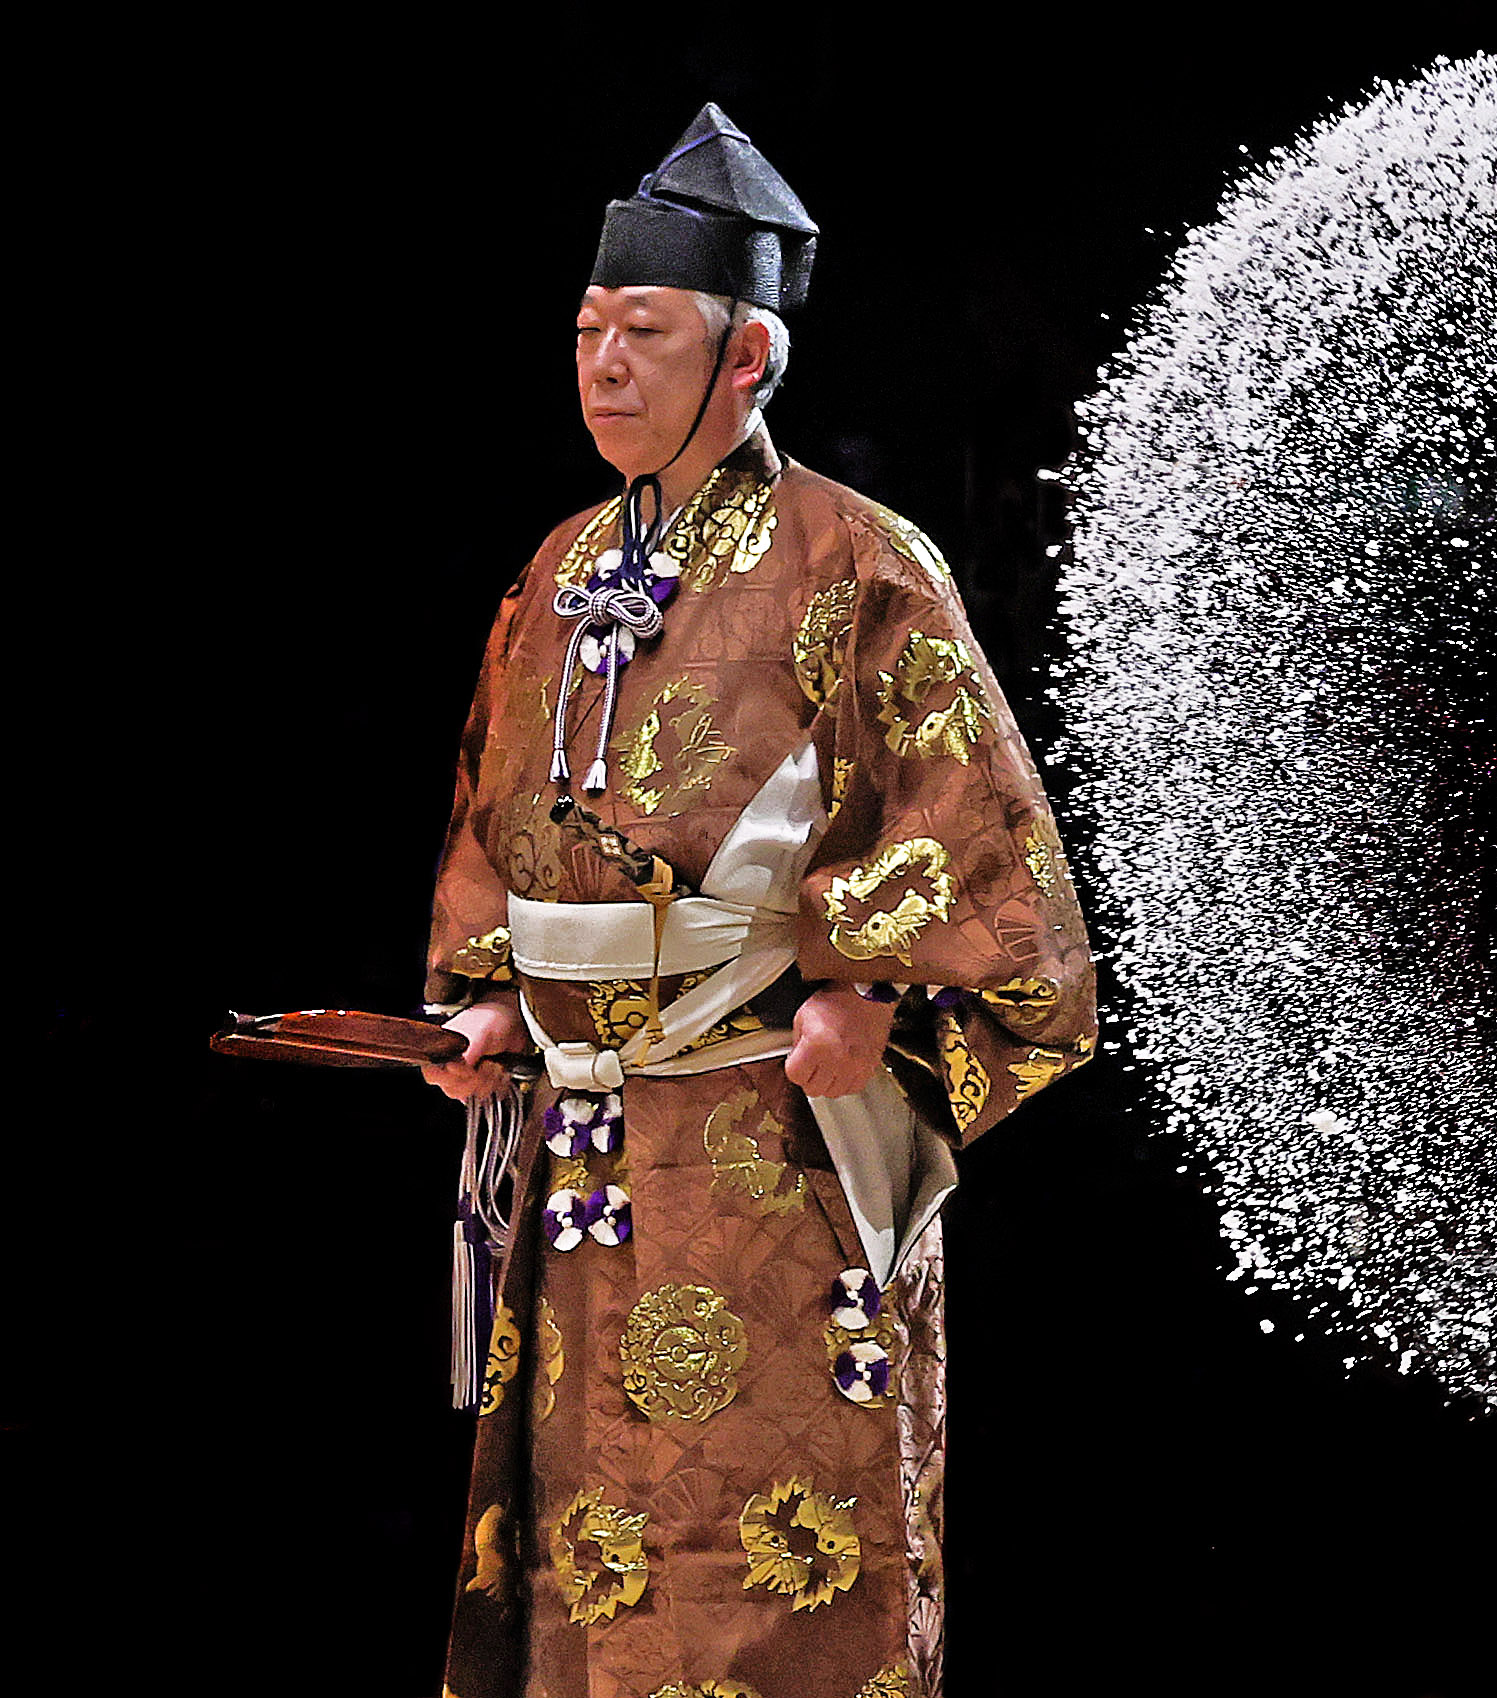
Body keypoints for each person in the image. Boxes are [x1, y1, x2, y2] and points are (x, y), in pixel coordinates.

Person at [417, 104, 1096, 1698]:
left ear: (748, 357)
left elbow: (998, 880)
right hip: (590, 1177)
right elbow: (495, 842)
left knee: (767, 1591)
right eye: (587, 331)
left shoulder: (859, 562)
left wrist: (882, 990)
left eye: (644, 331)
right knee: (588, 1582)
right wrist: (495, 1002)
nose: (602, 364)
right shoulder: (556, 570)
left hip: (770, 1158)